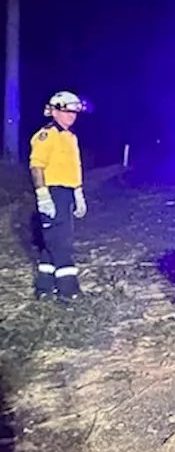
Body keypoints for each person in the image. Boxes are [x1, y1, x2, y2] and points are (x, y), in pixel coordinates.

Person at [30, 91, 90, 303]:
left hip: (67, 192)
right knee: (61, 241)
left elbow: (73, 169)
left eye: (73, 112)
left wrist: (78, 193)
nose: (71, 116)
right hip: (52, 191)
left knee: (52, 241)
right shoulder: (46, 135)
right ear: (54, 111)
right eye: (66, 112)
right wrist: (42, 194)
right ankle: (68, 289)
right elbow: (37, 166)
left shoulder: (70, 137)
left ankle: (44, 287)